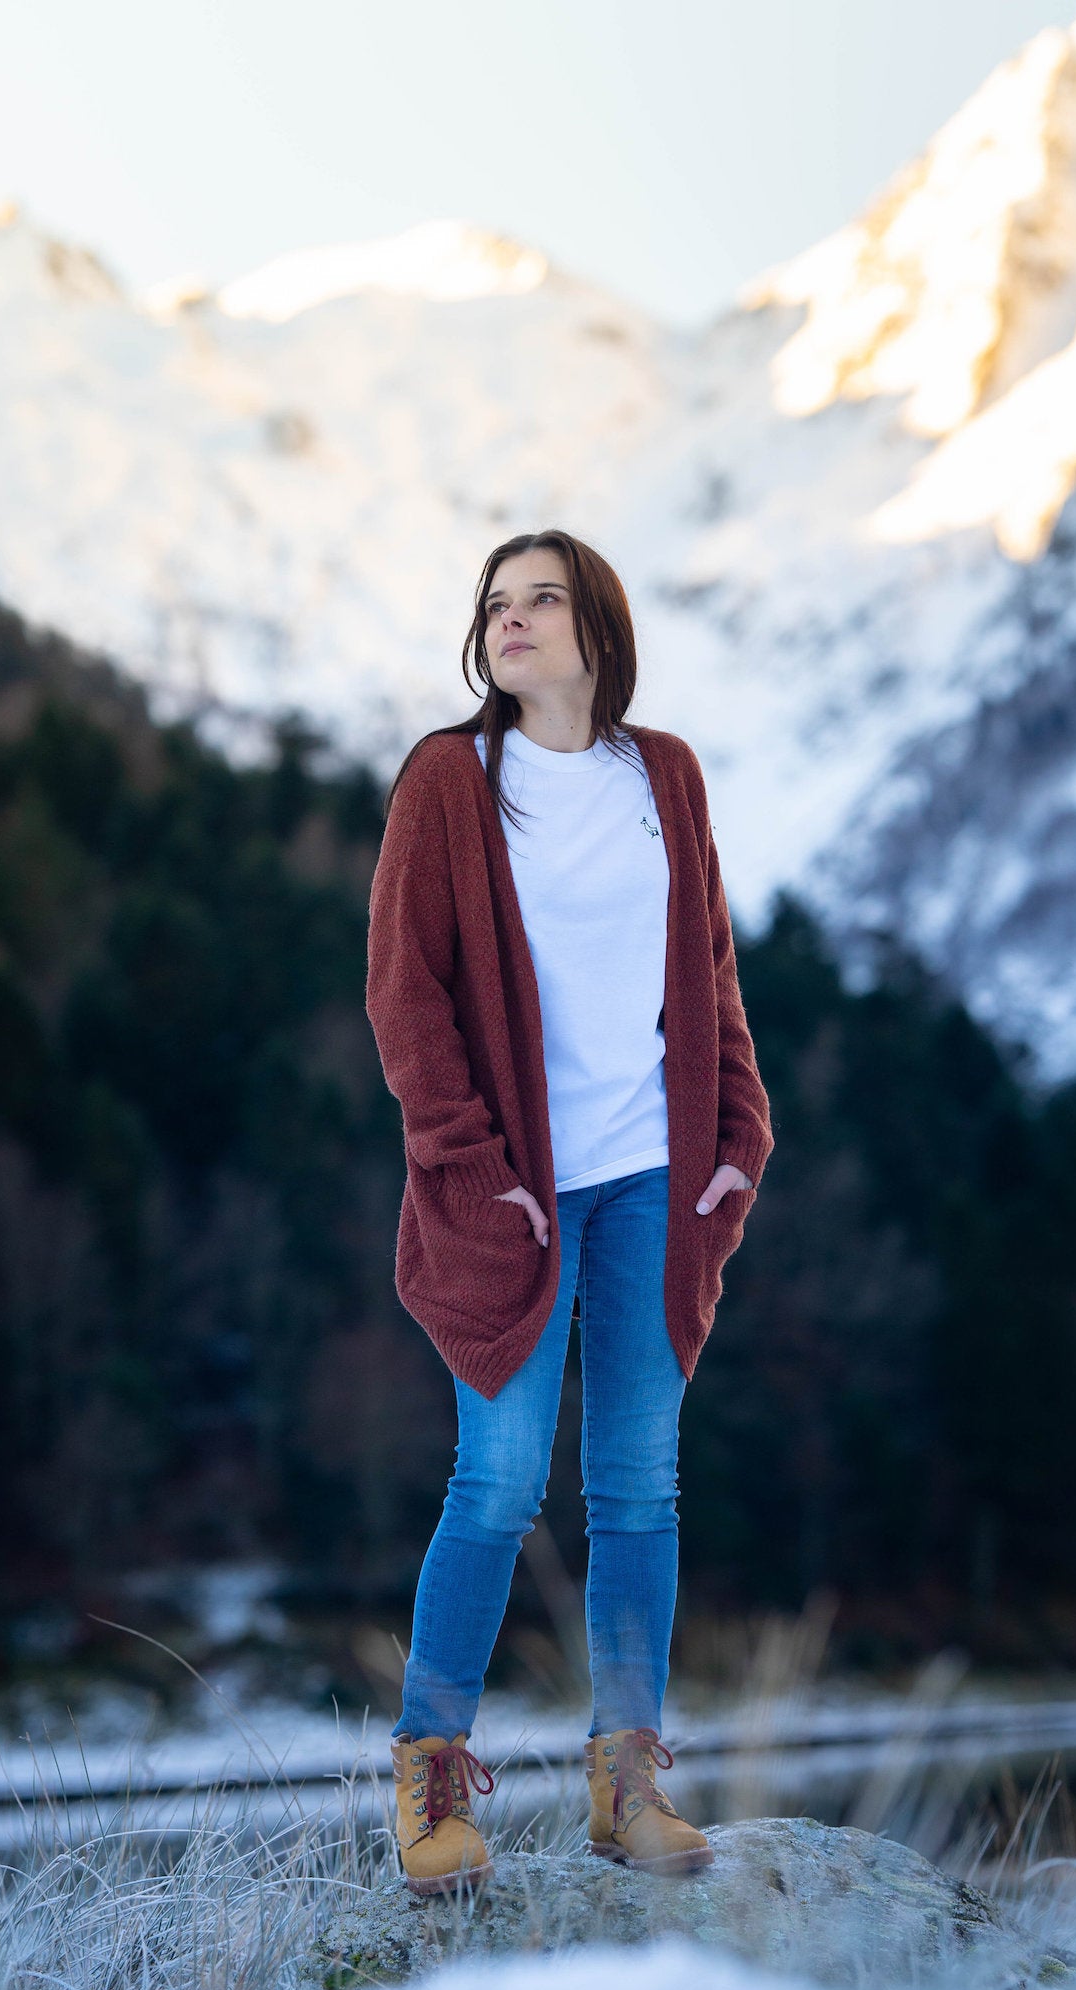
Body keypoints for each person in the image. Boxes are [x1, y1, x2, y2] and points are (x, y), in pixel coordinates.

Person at [365, 529, 773, 1895]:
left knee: (641, 1487)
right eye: (494, 602)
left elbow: (708, 967)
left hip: (656, 1173)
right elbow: (405, 993)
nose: (512, 619)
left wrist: (738, 1139)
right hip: (513, 1191)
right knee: (497, 1477)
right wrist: (471, 1166)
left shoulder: (665, 777)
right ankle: (429, 1782)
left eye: (540, 597)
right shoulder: (450, 781)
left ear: (597, 624)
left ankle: (626, 1780)